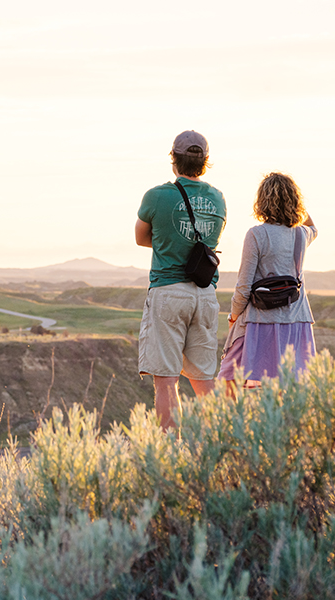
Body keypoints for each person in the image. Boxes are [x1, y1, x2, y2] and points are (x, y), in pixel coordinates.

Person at [135, 130, 227, 429]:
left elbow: (141, 238)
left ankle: (170, 456)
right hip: (205, 294)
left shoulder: (157, 196)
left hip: (169, 291)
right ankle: (224, 445)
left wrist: (168, 242)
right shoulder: (218, 198)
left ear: (173, 159)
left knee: (166, 380)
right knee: (204, 379)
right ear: (206, 162)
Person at [218, 172, 317, 386]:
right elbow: (313, 228)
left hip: (260, 321)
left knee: (229, 378)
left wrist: (234, 315)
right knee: (288, 386)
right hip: (296, 319)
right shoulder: (302, 234)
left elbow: (244, 286)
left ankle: (235, 420)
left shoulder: (256, 235)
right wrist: (297, 207)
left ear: (262, 202)